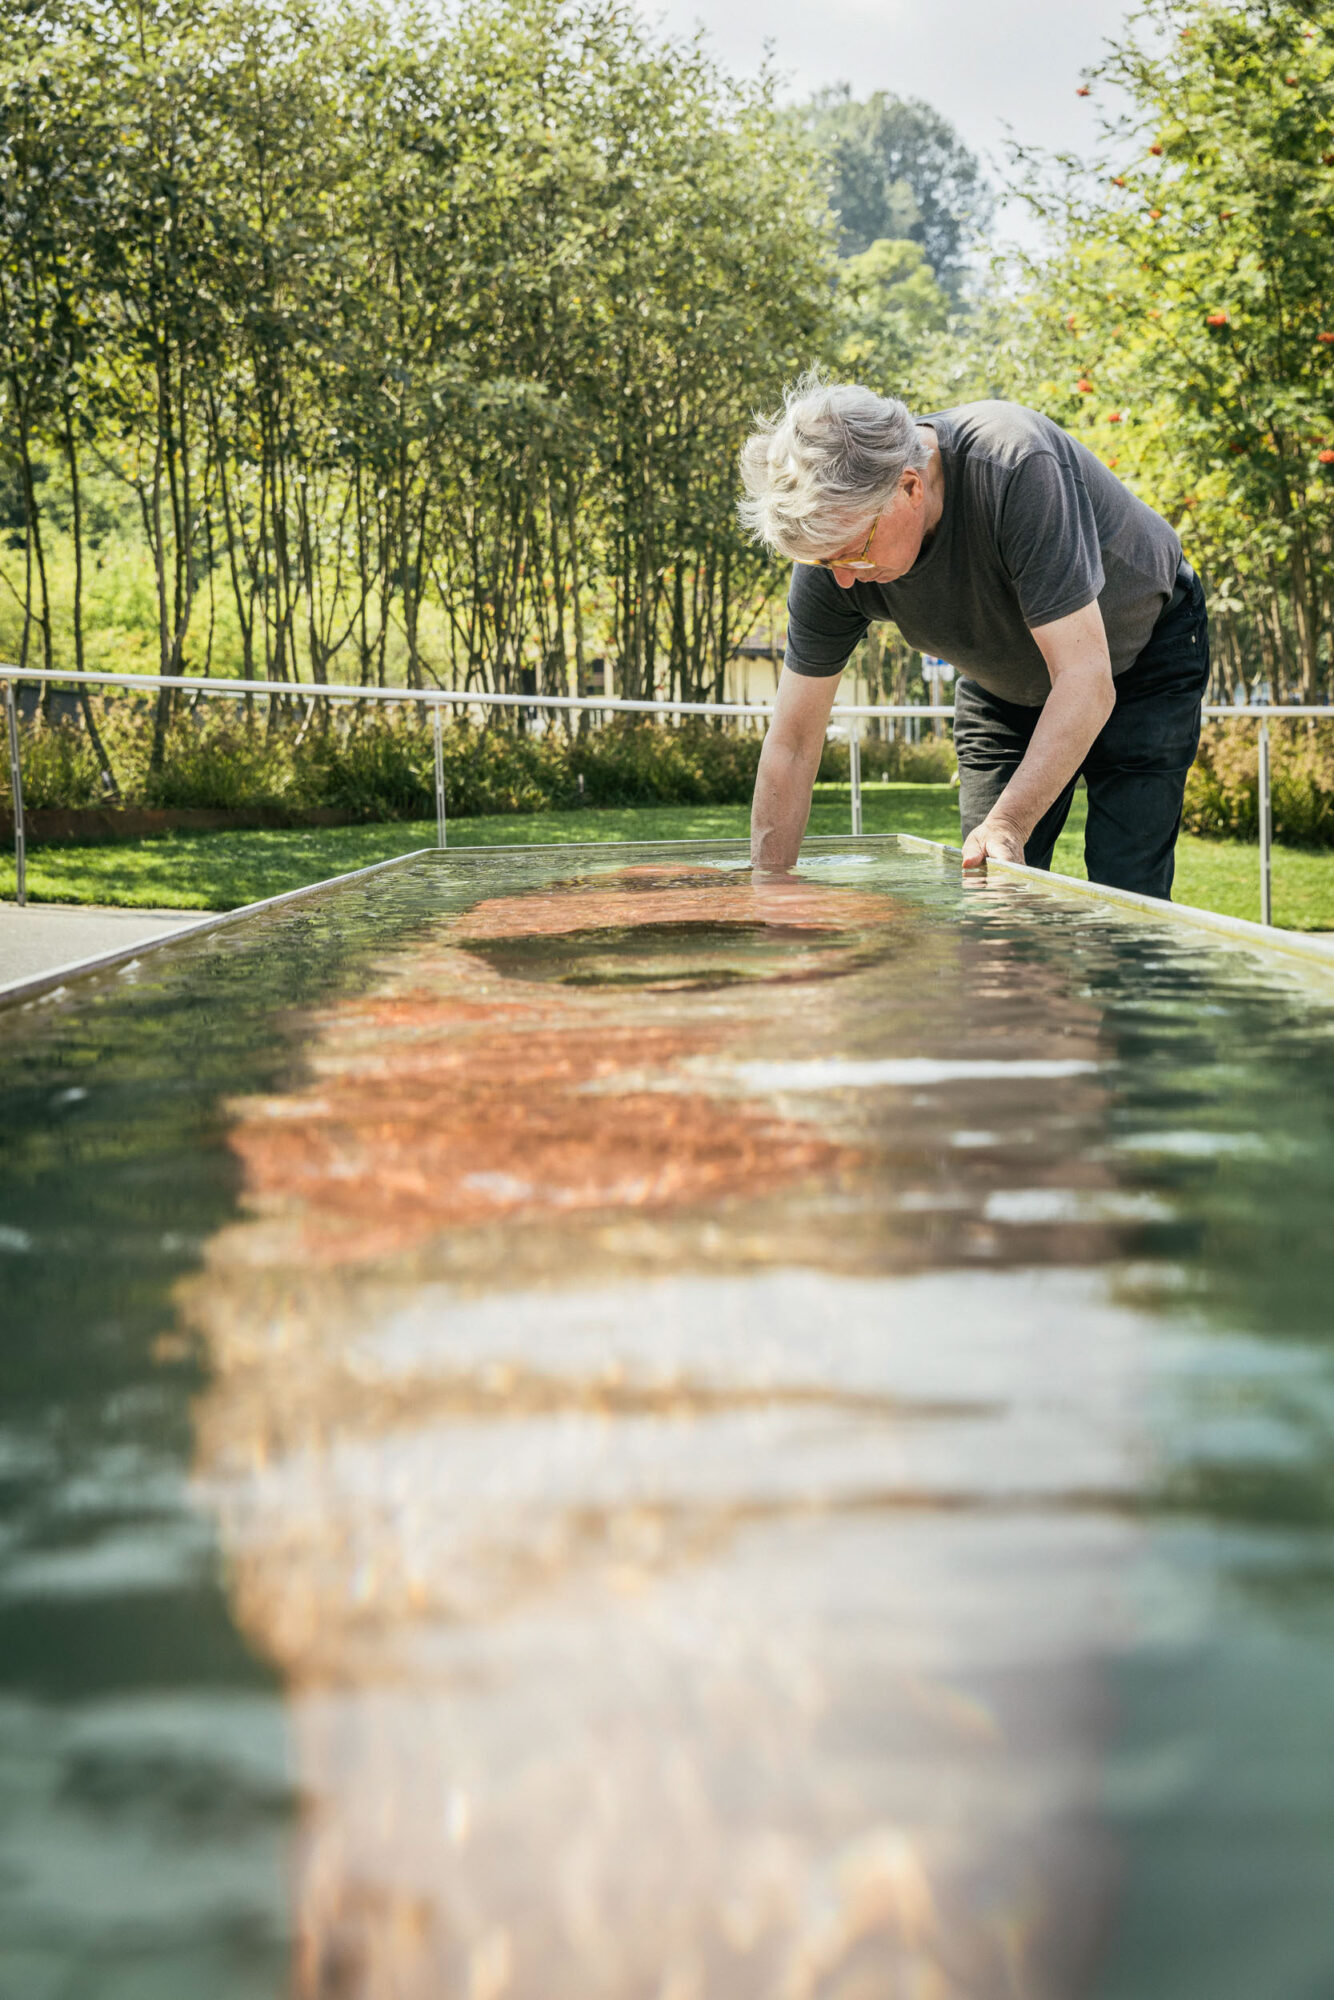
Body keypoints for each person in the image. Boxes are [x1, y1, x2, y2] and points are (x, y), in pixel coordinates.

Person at [738, 373, 1209, 896]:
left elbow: (1084, 679)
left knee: (1127, 886)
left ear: (910, 488)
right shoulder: (832, 557)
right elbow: (793, 743)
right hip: (1002, 683)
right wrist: (771, 893)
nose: (843, 578)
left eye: (854, 552)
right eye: (826, 562)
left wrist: (1009, 823)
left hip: (1140, 653)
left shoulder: (1013, 465)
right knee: (990, 885)